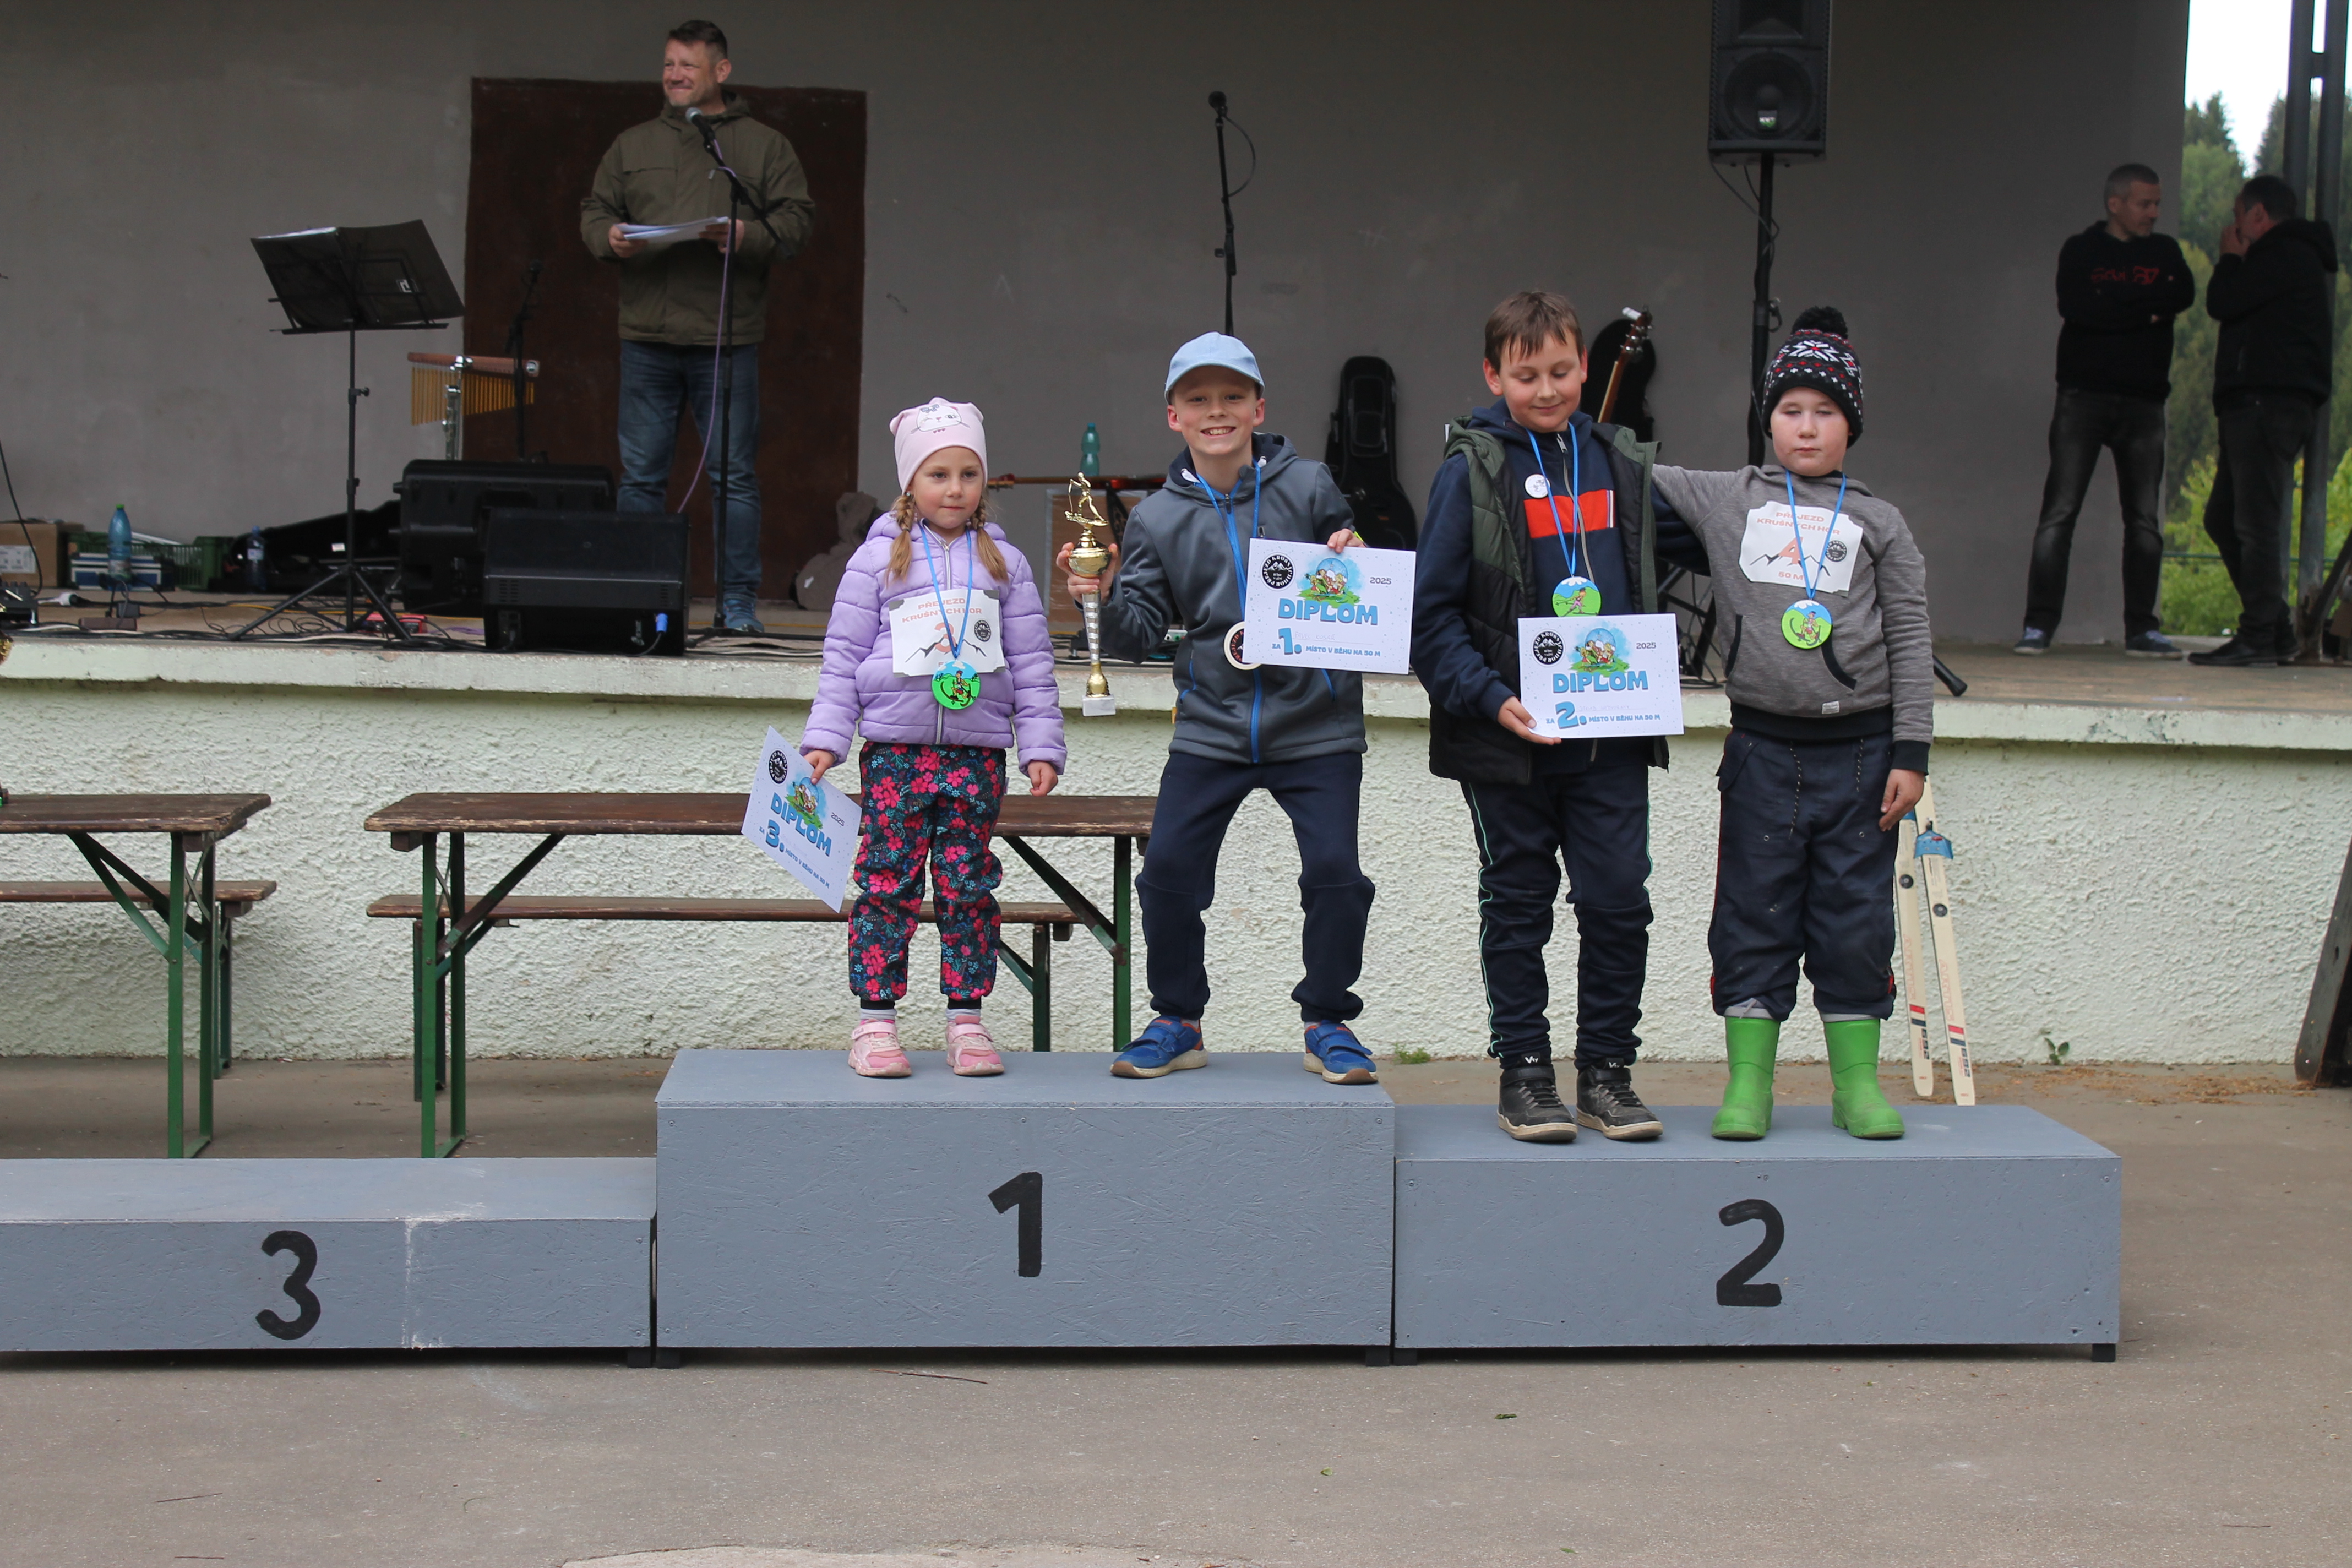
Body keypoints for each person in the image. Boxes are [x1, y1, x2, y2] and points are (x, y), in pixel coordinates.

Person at [1410, 291, 1708, 1142]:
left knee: (1618, 903)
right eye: (1526, 374)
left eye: (1562, 371)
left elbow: (1705, 538)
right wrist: (1489, 697)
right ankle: (1526, 1074)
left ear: (1587, 367)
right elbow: (1429, 620)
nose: (1546, 389)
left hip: (1611, 732)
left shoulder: (1619, 461)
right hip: (1508, 737)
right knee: (1518, 906)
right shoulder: (1470, 470)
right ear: (1493, 375)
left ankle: (1607, 1073)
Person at [1057, 333, 1376, 1085]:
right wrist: (1099, 597)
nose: (1217, 411)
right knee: (1167, 873)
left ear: (1259, 408)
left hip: (1317, 724)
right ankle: (1178, 1019)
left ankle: (1328, 1021)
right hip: (1211, 726)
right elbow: (1141, 634)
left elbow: (1350, 570)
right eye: (1198, 399)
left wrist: (1354, 552)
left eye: (1233, 396)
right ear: (1174, 416)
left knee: (1336, 874)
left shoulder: (1310, 485)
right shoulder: (1157, 517)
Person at [1646, 307, 1933, 1142]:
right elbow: (1625, 468)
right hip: (1763, 754)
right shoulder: (1726, 497)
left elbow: (1912, 636)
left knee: (1856, 921)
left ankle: (1856, 1086)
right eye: (1791, 410)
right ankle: (1750, 1085)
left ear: (1853, 425)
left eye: (1826, 411)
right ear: (1767, 419)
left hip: (1863, 757)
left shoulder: (1882, 523)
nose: (1807, 427)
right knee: (1752, 915)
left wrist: (1912, 750)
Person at [802, 399, 1065, 1077]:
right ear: (910, 482)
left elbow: (1032, 662)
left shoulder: (1007, 564)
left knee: (966, 884)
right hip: (896, 752)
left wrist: (1040, 744)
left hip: (977, 756)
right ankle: (875, 1022)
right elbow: (842, 658)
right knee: (886, 881)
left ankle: (966, 1021)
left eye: (968, 474)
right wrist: (827, 737)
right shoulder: (874, 561)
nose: (955, 489)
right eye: (938, 474)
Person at [581, 19, 815, 635]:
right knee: (641, 480)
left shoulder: (762, 146)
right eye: (668, 64)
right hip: (647, 336)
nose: (674, 75)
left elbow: (797, 222)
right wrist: (607, 237)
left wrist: (747, 235)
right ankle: (636, 599)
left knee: (733, 478)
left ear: (721, 71)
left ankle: (736, 604)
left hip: (725, 337)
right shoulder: (633, 144)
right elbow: (595, 209)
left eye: (687, 65)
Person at [2015, 163, 2196, 658]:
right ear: (2115, 204)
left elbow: (2181, 294)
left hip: (2145, 400)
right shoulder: (2082, 250)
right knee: (2059, 513)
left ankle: (2142, 629)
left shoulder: (2165, 251)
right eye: (2144, 204)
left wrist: (2115, 307)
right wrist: (2146, 311)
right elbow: (2078, 307)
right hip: (2083, 397)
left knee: (2144, 520)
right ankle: (2038, 626)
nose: (2153, 213)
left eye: (2157, 204)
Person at [2189, 173, 2340, 668]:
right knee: (2224, 518)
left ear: (2258, 215)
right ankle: (2273, 626)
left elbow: (2223, 302)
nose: (2234, 229)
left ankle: (2258, 633)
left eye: (2238, 218)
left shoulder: (2280, 255)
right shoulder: (2294, 257)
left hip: (2265, 402)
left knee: (2254, 523)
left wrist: (2231, 259)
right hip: (2261, 402)